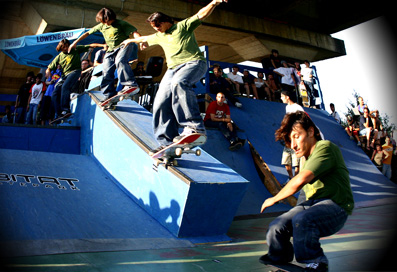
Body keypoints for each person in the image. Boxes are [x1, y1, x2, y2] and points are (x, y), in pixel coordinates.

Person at [120, 0, 228, 152]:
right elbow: (144, 38)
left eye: (158, 25)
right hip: (172, 69)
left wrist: (214, 2)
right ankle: (165, 141)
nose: (157, 29)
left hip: (194, 63)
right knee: (160, 100)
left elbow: (200, 15)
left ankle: (194, 127)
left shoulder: (182, 26)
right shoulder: (159, 35)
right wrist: (132, 40)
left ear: (166, 22)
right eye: (154, 27)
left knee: (179, 83)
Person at [259, 111, 354, 272]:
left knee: (302, 220)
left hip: (336, 206)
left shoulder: (325, 148)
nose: (293, 145)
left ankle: (316, 262)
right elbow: (304, 193)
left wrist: (274, 198)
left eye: (297, 136)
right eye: (290, 139)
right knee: (276, 226)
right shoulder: (305, 158)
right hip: (311, 204)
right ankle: (280, 258)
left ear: (310, 132)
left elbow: (300, 180)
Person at [69, 7, 143, 102]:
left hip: (124, 45)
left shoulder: (121, 23)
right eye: (105, 22)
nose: (107, 23)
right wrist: (75, 42)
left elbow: (135, 33)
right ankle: (109, 94)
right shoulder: (101, 26)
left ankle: (130, 84)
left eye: (109, 21)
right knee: (106, 70)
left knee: (120, 61)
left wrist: (140, 41)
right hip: (110, 50)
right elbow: (87, 33)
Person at [46, 39, 101, 118]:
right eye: (63, 47)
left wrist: (102, 45)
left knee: (65, 86)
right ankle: (59, 114)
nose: (66, 48)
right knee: (55, 94)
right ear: (60, 47)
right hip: (65, 76)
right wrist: (48, 72)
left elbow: (91, 45)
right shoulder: (59, 56)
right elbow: (49, 67)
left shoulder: (75, 49)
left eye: (67, 46)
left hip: (75, 71)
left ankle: (65, 109)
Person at [280, 90, 304, 183]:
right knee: (286, 158)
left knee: (296, 159)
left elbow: (302, 119)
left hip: (296, 135)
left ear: (287, 97)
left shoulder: (297, 107)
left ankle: (296, 177)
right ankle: (291, 177)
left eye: (282, 97)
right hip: (288, 135)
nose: (281, 98)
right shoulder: (287, 108)